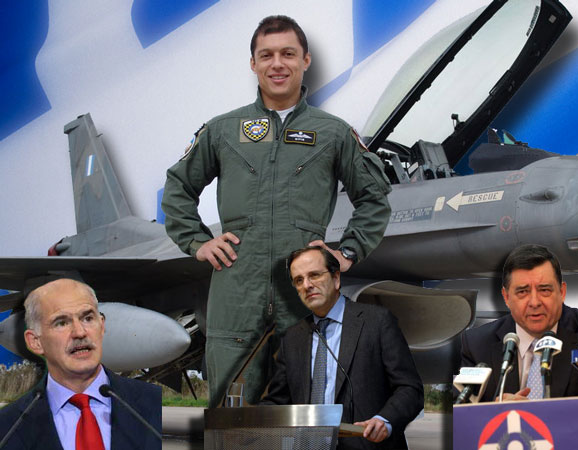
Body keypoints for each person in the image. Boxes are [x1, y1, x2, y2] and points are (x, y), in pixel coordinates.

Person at [161, 15, 391, 407]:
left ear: (306, 60)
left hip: (304, 295)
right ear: (253, 63)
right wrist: (198, 242)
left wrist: (347, 252)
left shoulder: (333, 133)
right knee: (231, 415)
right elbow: (178, 187)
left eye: (288, 54)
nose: (277, 64)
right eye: (266, 55)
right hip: (237, 294)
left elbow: (375, 198)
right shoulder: (223, 131)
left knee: (310, 412)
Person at [261, 247, 423, 450]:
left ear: (336, 278)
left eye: (314, 275)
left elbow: (409, 389)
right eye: (299, 280)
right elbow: (278, 401)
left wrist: (385, 420)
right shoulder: (292, 338)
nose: (307, 285)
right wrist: (241, 419)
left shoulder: (377, 321)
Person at [0, 279, 161, 449]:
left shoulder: (152, 403)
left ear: (102, 326)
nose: (79, 332)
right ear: (35, 342)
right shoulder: (9, 426)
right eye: (61, 323)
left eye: (88, 318)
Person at [460, 244, 578, 402]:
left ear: (562, 292)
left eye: (544, 290)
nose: (534, 302)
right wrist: (495, 411)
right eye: (522, 292)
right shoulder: (477, 346)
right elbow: (460, 410)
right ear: (506, 297)